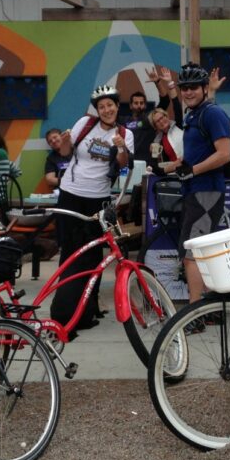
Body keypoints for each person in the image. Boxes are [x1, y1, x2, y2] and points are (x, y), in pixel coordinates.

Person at [51, 84, 133, 330]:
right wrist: (64, 141)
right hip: (70, 194)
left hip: (98, 199)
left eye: (110, 105)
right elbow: (66, 153)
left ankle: (90, 306)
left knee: (94, 254)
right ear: (97, 109)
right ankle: (67, 307)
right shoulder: (85, 124)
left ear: (117, 106)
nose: (106, 109)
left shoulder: (124, 133)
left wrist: (120, 146)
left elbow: (123, 165)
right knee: (69, 252)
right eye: (102, 106)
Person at [170, 62, 230, 308]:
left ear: (205, 88)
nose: (188, 92)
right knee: (198, 254)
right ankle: (207, 308)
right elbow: (199, 151)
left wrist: (192, 170)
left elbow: (224, 154)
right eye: (184, 88)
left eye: (193, 87)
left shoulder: (212, 113)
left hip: (206, 192)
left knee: (191, 255)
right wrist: (181, 163)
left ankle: (196, 312)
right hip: (195, 191)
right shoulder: (193, 114)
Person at [121, 90, 152, 163]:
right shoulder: (123, 120)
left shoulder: (150, 118)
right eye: (136, 103)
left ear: (145, 105)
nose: (139, 106)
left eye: (141, 103)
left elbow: (165, 101)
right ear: (130, 105)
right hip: (128, 160)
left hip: (145, 162)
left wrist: (158, 82)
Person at [42, 127, 72, 191]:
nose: (53, 141)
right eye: (50, 141)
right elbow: (49, 180)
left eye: (55, 137)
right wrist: (69, 183)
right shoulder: (51, 158)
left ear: (62, 136)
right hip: (63, 191)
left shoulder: (76, 149)